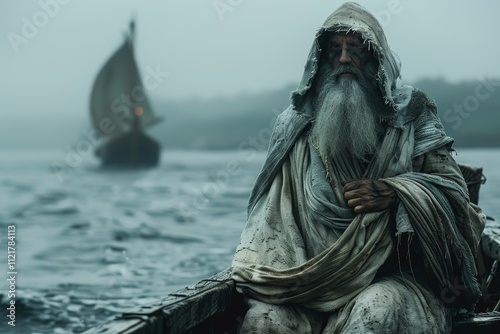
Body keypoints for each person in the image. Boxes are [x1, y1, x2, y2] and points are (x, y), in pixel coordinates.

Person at [231, 2, 486, 333]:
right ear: (320, 61)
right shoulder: (294, 126)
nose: (344, 59)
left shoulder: (413, 115)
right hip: (306, 284)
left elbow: (454, 194)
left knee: (374, 313)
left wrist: (395, 192)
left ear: (377, 59)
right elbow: (268, 220)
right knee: (263, 322)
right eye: (335, 50)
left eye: (356, 49)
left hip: (396, 279)